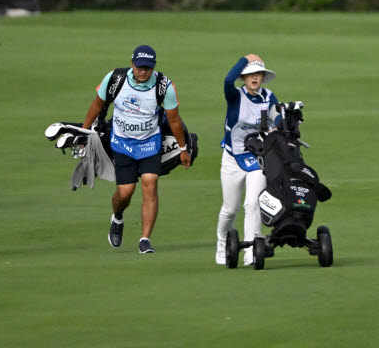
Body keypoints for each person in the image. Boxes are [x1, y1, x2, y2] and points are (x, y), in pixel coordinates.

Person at [81, 45, 191, 254]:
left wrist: (183, 148)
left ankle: (145, 239)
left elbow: (174, 119)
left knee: (150, 183)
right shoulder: (115, 79)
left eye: (147, 68)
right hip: (122, 143)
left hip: (150, 143)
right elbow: (97, 105)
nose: (143, 72)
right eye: (140, 67)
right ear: (132, 63)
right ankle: (118, 217)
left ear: (153, 67)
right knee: (125, 193)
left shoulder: (164, 86)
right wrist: (84, 132)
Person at [215, 54, 279, 266]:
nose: (254, 78)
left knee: (253, 204)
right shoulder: (234, 96)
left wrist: (278, 123)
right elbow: (226, 81)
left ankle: (252, 251)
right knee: (230, 209)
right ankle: (222, 243)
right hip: (232, 159)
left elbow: (276, 115)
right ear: (243, 77)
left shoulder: (268, 97)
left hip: (257, 159)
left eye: (258, 73)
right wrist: (244, 59)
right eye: (250, 74)